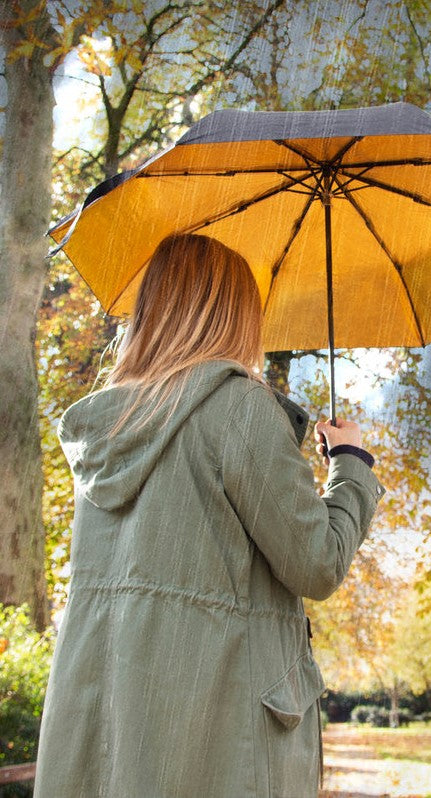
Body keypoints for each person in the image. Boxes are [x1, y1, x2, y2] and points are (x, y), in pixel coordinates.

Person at [33, 233, 384, 798]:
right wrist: (351, 464)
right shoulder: (240, 409)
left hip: (111, 738)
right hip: (216, 744)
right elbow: (317, 563)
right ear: (233, 314)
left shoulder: (106, 429)